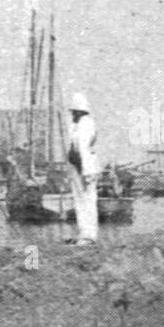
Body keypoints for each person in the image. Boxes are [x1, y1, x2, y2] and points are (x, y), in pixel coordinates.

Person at [66, 92, 100, 244]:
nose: (72, 115)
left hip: (84, 168)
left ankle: (88, 236)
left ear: (79, 111)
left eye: (73, 112)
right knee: (81, 201)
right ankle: (84, 233)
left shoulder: (85, 125)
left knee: (86, 201)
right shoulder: (79, 125)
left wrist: (84, 172)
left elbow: (84, 150)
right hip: (79, 167)